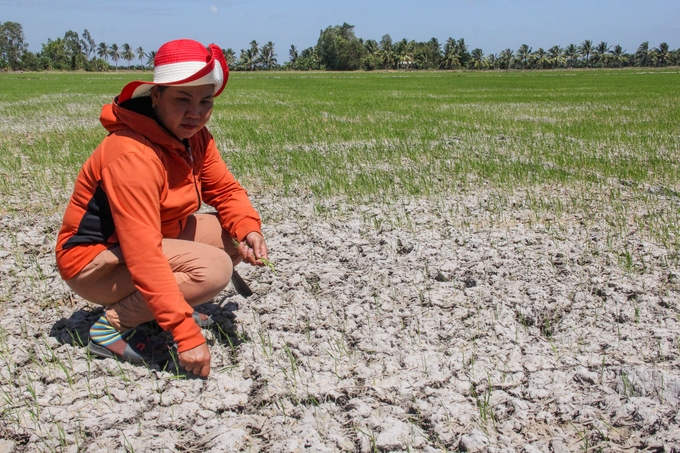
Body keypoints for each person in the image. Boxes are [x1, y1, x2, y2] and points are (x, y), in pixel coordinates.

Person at [55, 39, 268, 378]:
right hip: (95, 262)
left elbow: (224, 189)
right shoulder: (132, 155)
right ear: (155, 96)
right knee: (213, 270)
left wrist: (248, 228)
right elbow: (143, 253)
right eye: (182, 99)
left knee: (230, 236)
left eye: (205, 101)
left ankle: (154, 310)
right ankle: (111, 327)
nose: (195, 112)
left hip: (147, 239)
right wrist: (185, 333)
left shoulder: (195, 137)